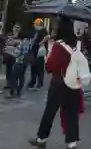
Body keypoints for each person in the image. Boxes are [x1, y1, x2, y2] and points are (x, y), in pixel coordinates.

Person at [29, 16, 83, 148]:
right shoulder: (78, 44)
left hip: (59, 83)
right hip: (74, 84)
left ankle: (41, 139)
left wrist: (48, 55)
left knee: (50, 112)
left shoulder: (58, 46)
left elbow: (50, 67)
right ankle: (71, 143)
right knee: (71, 113)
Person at [6, 28, 32, 98]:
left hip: (19, 61)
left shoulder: (21, 43)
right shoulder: (29, 42)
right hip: (25, 62)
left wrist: (10, 51)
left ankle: (12, 92)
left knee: (13, 77)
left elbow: (17, 53)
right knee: (21, 77)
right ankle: (19, 91)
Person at [28, 19, 50, 90]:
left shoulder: (43, 30)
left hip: (40, 52)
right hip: (35, 51)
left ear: (38, 24)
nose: (34, 25)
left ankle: (39, 83)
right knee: (34, 67)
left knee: (39, 68)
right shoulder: (37, 31)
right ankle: (33, 82)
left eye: (35, 24)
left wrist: (41, 42)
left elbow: (47, 36)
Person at [2, 24, 21, 91]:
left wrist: (12, 40)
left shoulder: (20, 35)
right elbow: (6, 42)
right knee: (8, 70)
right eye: (15, 27)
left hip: (15, 56)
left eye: (18, 27)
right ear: (13, 28)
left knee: (14, 71)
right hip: (8, 55)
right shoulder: (9, 34)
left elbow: (19, 43)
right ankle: (8, 84)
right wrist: (12, 38)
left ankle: (14, 85)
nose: (16, 29)